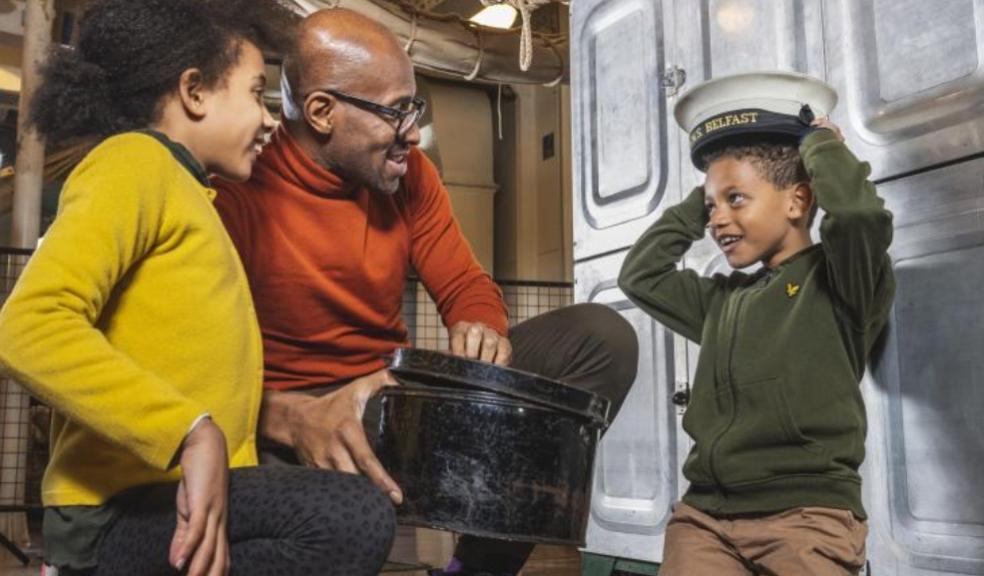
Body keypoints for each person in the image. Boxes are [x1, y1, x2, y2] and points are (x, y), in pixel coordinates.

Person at [212, 8, 638, 576]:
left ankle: (476, 569)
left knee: (600, 337)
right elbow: (197, 366)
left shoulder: (411, 174)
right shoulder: (235, 186)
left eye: (414, 109)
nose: (413, 133)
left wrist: (480, 322)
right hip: (286, 415)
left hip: (391, 395)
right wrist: (286, 416)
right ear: (321, 112)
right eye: (396, 112)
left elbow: (464, 283)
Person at [0, 1, 395, 574]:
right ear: (195, 91)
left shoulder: (191, 194)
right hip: (118, 510)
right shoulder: (133, 163)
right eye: (255, 92)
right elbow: (26, 327)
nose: (268, 120)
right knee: (351, 517)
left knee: (342, 509)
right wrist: (189, 433)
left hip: (181, 495)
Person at [618, 72, 895, 575]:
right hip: (704, 516)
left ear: (798, 200)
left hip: (806, 516)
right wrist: (708, 193)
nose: (718, 220)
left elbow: (856, 215)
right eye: (711, 209)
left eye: (736, 200)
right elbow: (640, 276)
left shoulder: (841, 281)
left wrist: (816, 144)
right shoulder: (723, 301)